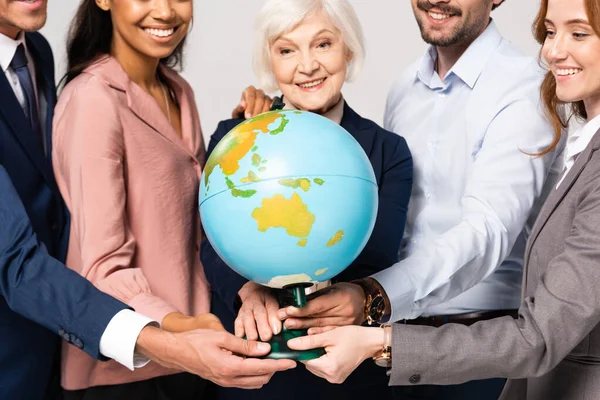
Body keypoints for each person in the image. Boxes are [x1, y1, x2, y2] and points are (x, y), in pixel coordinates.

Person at [239, 0, 559, 398]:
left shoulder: (525, 86)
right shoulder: (405, 86)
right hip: (395, 348)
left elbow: (487, 230)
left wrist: (374, 295)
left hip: (480, 346)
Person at [0, 0, 295, 398]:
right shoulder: (92, 98)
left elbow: (192, 224)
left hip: (196, 352)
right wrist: (181, 327)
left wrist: (241, 135)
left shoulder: (179, 92)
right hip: (125, 371)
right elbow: (100, 264)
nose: (165, 10)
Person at [202, 0, 413, 398]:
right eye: (286, 50)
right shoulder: (235, 140)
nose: (307, 65)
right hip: (254, 364)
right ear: (270, 60)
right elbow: (210, 242)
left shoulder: (388, 151)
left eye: (322, 45)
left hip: (348, 373)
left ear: (347, 49)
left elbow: (379, 256)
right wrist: (246, 290)